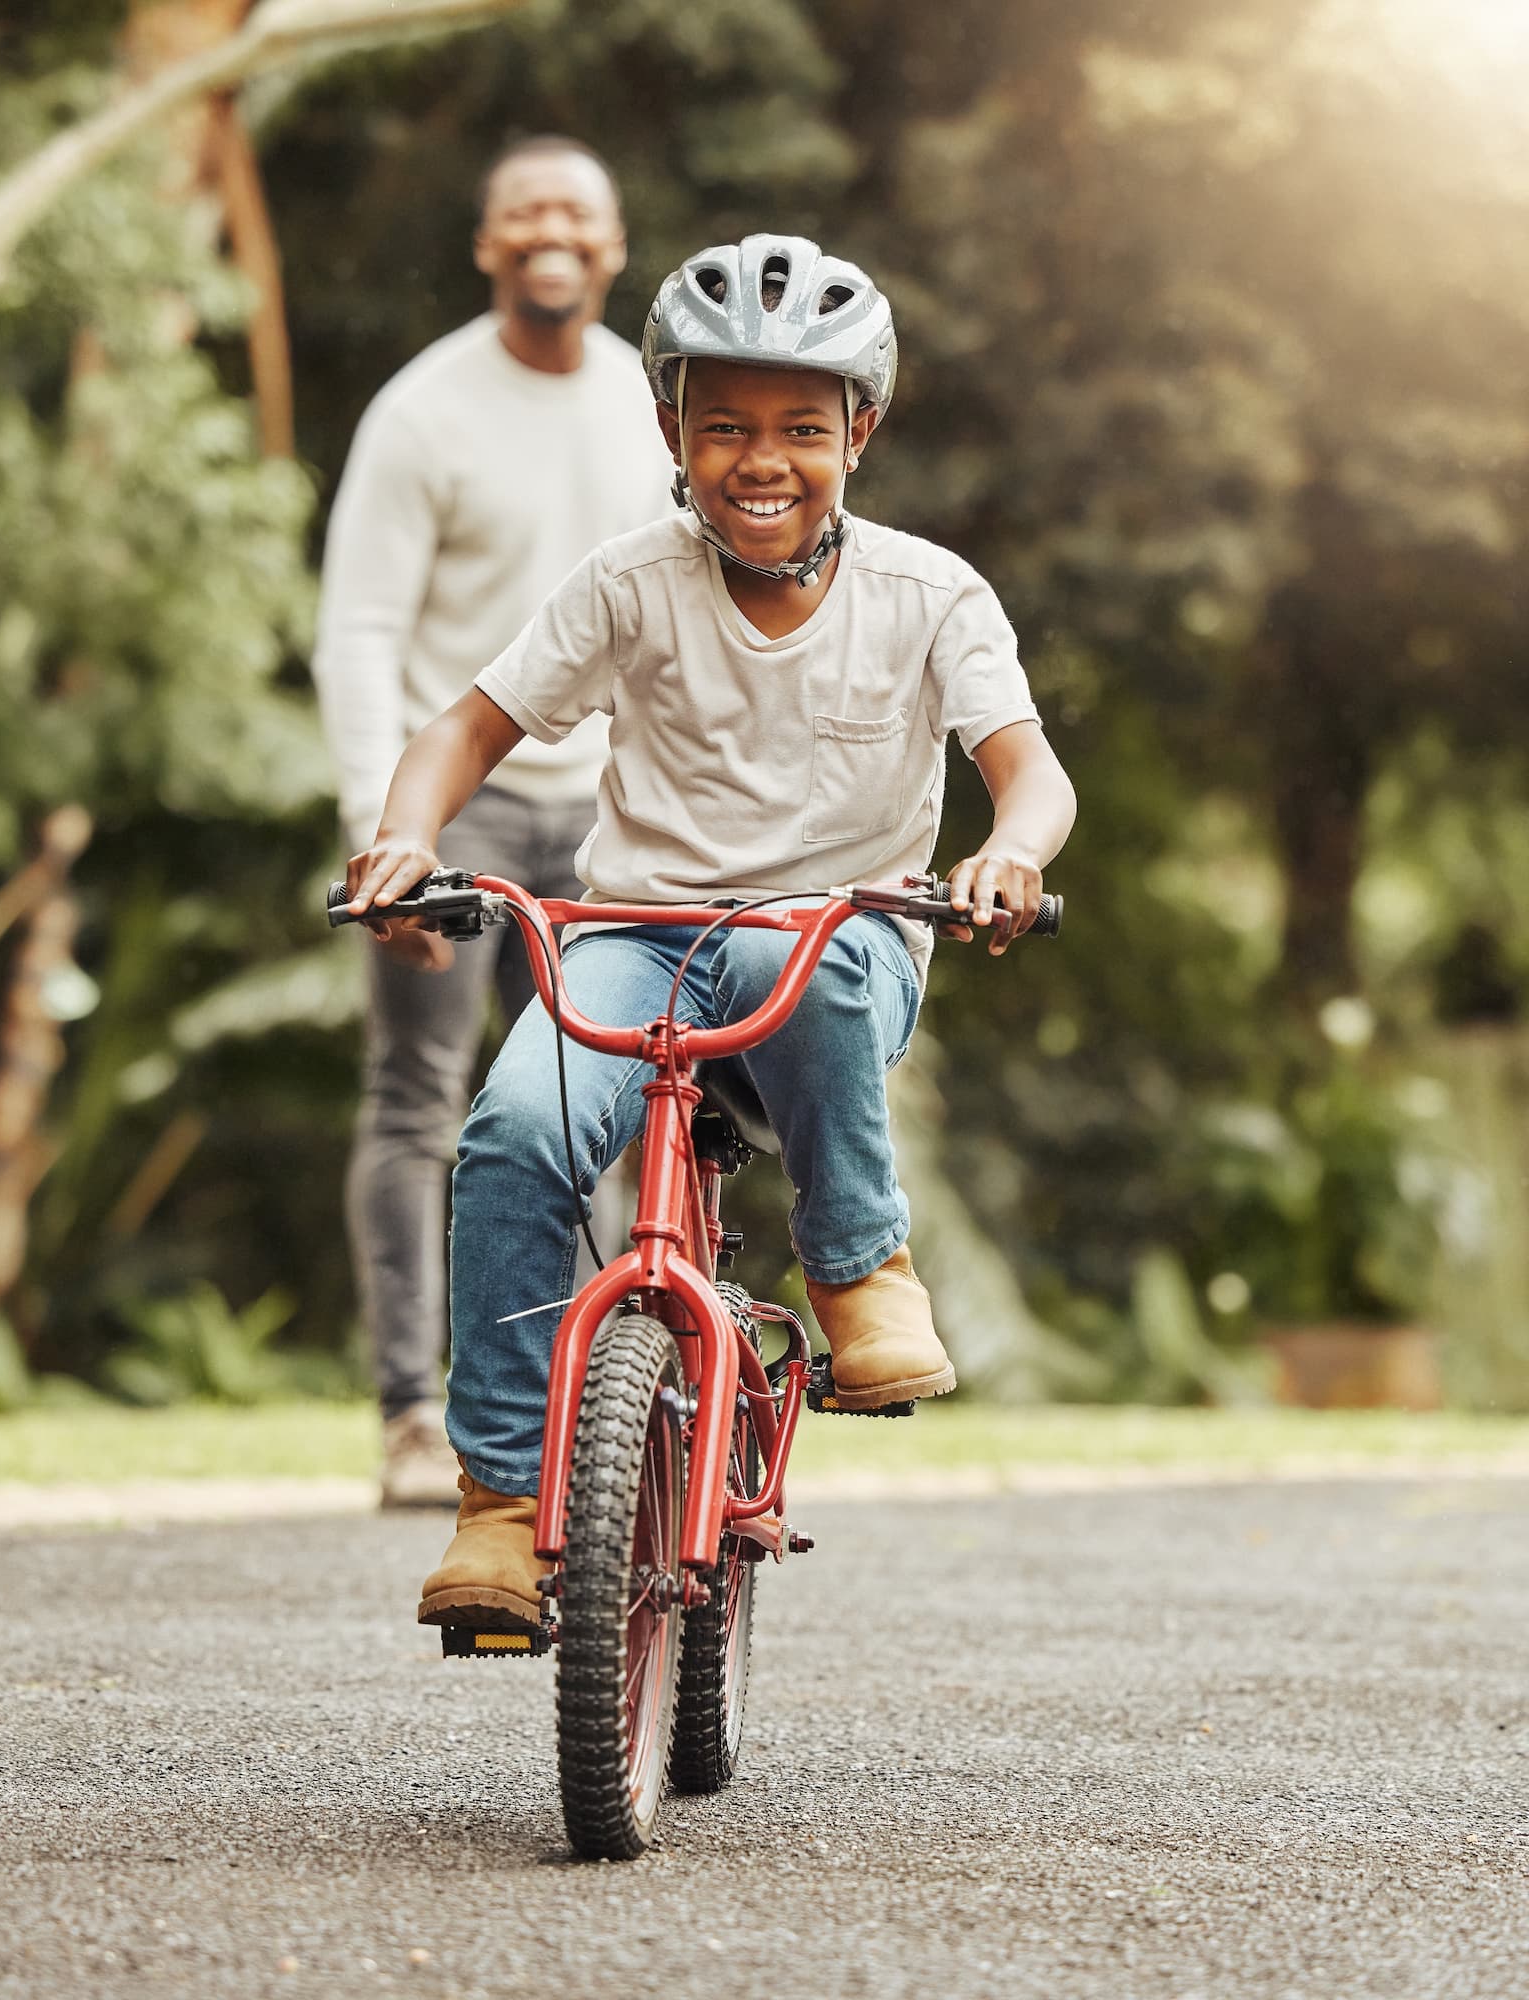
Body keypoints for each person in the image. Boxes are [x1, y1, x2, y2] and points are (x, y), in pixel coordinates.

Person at [341, 234, 1079, 1633]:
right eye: (724, 424)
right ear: (669, 428)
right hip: (633, 937)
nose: (763, 460)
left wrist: (1007, 854)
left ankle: (857, 1264)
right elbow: (469, 726)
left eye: (803, 427)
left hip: (834, 948)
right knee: (509, 1134)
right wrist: (407, 836)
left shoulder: (932, 596)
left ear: (860, 432)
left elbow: (1028, 767)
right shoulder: (627, 583)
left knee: (782, 956)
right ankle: (499, 1503)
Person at [312, 137, 666, 1509]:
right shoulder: (425, 412)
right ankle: (413, 1413)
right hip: (452, 803)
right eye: (523, 211)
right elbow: (360, 631)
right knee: (418, 1099)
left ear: (615, 240)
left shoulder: (653, 402)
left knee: (601, 1102)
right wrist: (378, 825)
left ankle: (586, 1411)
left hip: (607, 820)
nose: (549, 230)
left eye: (576, 209)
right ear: (487, 243)